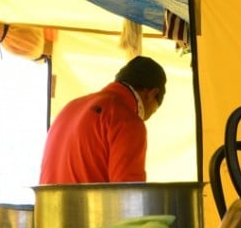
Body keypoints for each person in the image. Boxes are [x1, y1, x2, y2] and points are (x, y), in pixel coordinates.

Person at [39, 56, 167, 184]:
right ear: (151, 94)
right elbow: (127, 195)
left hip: (47, 203)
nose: (144, 119)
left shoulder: (70, 107)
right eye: (152, 111)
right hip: (89, 204)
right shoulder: (127, 120)